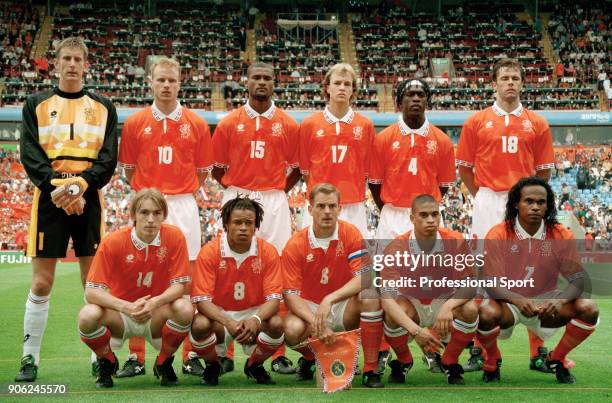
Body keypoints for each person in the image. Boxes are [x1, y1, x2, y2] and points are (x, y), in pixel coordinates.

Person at [16, 36, 118, 382]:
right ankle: (29, 358)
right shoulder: (35, 104)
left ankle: (98, 355)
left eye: (78, 59)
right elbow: (30, 155)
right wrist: (61, 189)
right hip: (49, 198)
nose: (72, 64)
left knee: (93, 283)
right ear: (56, 63)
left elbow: (108, 159)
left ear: (85, 64)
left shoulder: (104, 106)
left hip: (88, 197)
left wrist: (79, 187)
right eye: (66, 59)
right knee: (42, 282)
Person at [118, 56, 214, 378]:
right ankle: (136, 356)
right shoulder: (135, 123)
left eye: (172, 80)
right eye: (160, 80)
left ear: (180, 82)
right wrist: (152, 196)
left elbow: (202, 172)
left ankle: (188, 356)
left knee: (187, 283)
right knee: (140, 279)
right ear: (150, 82)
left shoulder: (197, 124)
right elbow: (129, 170)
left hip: (184, 205)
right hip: (147, 204)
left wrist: (178, 193)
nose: (166, 85)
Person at [456, 58, 554, 372]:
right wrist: (485, 197)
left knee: (531, 269)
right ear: (494, 83)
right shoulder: (476, 121)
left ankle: (538, 351)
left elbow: (543, 171)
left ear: (522, 83)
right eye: (504, 77)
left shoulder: (537, 122)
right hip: (487, 200)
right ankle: (483, 352)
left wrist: (524, 200)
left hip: (523, 201)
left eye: (515, 77)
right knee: (481, 272)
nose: (510, 82)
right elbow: (465, 169)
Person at [211, 62, 300, 374]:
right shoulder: (228, 123)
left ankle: (275, 353)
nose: (261, 82)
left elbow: (298, 169)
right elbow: (216, 169)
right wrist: (238, 192)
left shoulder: (288, 124)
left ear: (275, 83)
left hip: (274, 199)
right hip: (237, 195)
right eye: (256, 77)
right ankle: (224, 349)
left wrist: (276, 191)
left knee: (276, 269)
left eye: (267, 78)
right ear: (245, 82)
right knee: (230, 269)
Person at [476, 177, 599, 384]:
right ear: (516, 203)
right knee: (485, 312)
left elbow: (579, 280)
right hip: (510, 304)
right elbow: (490, 282)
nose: (535, 207)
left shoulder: (561, 234)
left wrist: (559, 300)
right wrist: (516, 299)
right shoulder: (498, 233)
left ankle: (556, 359)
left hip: (546, 305)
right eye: (529, 201)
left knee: (589, 308)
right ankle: (492, 358)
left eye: (541, 202)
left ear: (548, 205)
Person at [78, 188, 193, 388]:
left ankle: (164, 361)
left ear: (164, 215)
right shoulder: (113, 241)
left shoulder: (175, 237)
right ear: (133, 215)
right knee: (87, 315)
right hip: (120, 317)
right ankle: (107, 361)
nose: (150, 219)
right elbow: (91, 291)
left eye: (157, 213)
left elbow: (180, 286)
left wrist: (154, 302)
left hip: (155, 314)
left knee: (185, 308)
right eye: (144, 212)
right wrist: (126, 307)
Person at [282, 183, 385, 388]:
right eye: (321, 206)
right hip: (310, 307)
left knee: (371, 296)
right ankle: (314, 359)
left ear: (340, 208)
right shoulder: (295, 244)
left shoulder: (351, 233)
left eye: (332, 206)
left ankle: (370, 370)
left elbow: (364, 276)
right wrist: (317, 323)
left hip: (342, 305)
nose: (327, 211)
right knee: (291, 329)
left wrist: (330, 299)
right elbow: (291, 296)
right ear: (310, 210)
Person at [377, 195, 478, 385]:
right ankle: (404, 360)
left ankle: (450, 361)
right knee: (392, 313)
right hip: (411, 303)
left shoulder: (455, 240)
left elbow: (471, 283)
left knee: (470, 309)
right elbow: (387, 298)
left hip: (443, 300)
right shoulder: (396, 246)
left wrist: (449, 306)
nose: (430, 220)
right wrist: (415, 331)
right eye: (423, 215)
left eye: (434, 214)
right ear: (412, 218)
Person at [189, 196, 284, 386]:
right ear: (226, 224)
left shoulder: (269, 252)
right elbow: (201, 300)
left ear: (256, 225)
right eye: (237, 222)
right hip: (220, 315)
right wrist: (228, 321)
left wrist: (256, 319)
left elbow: (274, 299)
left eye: (249, 223)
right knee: (199, 325)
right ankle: (213, 365)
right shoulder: (209, 251)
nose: (243, 227)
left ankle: (254, 364)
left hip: (253, 312)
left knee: (276, 324)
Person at [369, 79, 455, 238]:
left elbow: (443, 185)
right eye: (410, 94)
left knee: (430, 263)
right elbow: (374, 183)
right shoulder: (382, 139)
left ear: (427, 102)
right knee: (390, 263)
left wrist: (423, 209)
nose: (416, 98)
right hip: (392, 215)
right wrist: (389, 209)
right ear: (400, 102)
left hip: (427, 216)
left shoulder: (443, 141)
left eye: (421, 95)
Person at [299, 63, 375, 238]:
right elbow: (305, 170)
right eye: (337, 83)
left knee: (357, 262)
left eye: (347, 84)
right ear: (327, 87)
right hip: (318, 205)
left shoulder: (365, 125)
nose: (342, 87)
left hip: (353, 205)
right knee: (314, 260)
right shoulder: (309, 124)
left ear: (353, 90)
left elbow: (367, 170)